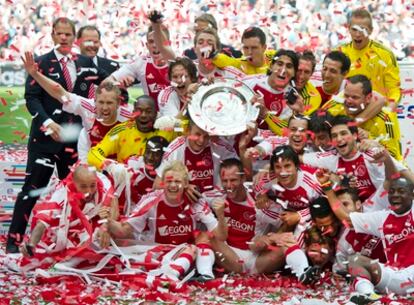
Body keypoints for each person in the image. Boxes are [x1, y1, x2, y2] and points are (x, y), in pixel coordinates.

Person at [6, 17, 108, 253]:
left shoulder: (86, 63)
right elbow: (31, 98)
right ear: (52, 35)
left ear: (75, 38)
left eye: (68, 34)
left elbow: (109, 84)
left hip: (74, 141)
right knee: (32, 189)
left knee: (77, 192)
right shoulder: (39, 63)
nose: (63, 38)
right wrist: (48, 122)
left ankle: (76, 240)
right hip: (44, 141)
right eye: (59, 34)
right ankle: (14, 241)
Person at [104, 161, 226, 281]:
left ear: (185, 184)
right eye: (169, 181)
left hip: (186, 255)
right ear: (162, 183)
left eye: (177, 181)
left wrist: (220, 216)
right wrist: (107, 223)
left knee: (203, 237)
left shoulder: (195, 202)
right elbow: (125, 230)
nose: (173, 185)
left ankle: (205, 276)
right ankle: (169, 276)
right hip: (158, 253)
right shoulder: (151, 200)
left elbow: (220, 236)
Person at [316, 174, 414, 301]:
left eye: (401, 191)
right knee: (355, 260)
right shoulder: (381, 218)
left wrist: (386, 158)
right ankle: (370, 297)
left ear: (412, 194)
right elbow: (346, 219)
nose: (395, 195)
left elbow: (394, 172)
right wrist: (327, 187)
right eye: (392, 191)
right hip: (396, 277)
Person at [21, 51, 132, 162]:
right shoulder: (88, 107)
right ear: (94, 101)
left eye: (109, 103)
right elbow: (59, 92)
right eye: (101, 102)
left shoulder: (131, 116)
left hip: (120, 166)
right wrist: (35, 74)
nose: (104, 107)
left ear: (118, 103)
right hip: (92, 164)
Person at [17, 164, 117, 271]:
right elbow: (42, 223)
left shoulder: (103, 182)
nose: (89, 191)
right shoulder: (62, 193)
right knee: (45, 247)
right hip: (71, 225)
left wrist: (106, 225)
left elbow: (115, 207)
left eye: (92, 186)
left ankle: (74, 259)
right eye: (83, 186)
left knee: (114, 229)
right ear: (74, 183)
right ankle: (74, 255)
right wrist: (32, 243)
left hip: (97, 219)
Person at [197, 158, 284, 278]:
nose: (229, 186)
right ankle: (206, 275)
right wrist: (187, 188)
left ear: (243, 178)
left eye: (233, 180)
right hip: (230, 257)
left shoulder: (260, 202)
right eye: (225, 181)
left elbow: (286, 221)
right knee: (204, 236)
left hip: (259, 260)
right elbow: (197, 199)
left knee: (288, 247)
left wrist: (271, 238)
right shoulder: (215, 196)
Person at [302, 115, 407, 202]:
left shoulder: (372, 151)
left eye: (343, 134)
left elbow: (404, 175)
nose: (339, 139)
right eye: (334, 135)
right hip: (356, 217)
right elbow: (298, 158)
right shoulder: (329, 158)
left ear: (355, 135)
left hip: (383, 212)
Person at [254, 145, 323, 246]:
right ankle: (256, 242)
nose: (283, 172)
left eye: (287, 166)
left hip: (308, 217)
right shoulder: (272, 177)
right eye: (278, 167)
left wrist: (299, 215)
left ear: (296, 166)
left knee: (294, 244)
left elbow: (324, 206)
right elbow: (258, 185)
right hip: (285, 213)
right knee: (258, 208)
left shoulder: (312, 182)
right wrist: (261, 195)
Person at [87, 95, 176, 170]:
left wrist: (175, 122)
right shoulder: (121, 131)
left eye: (148, 111)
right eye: (139, 111)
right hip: (127, 183)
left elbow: (188, 128)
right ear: (133, 113)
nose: (143, 115)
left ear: (156, 114)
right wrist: (112, 167)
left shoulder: (166, 129)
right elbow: (93, 154)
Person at [325, 74, 402, 160]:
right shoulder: (336, 105)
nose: (348, 101)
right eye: (346, 96)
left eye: (355, 97)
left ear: (368, 98)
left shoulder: (385, 118)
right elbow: (315, 123)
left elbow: (393, 157)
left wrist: (371, 140)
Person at [154, 119, 238, 196]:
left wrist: (242, 149)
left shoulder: (220, 147)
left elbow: (241, 177)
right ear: (188, 131)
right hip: (184, 203)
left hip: (216, 202)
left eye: (206, 136)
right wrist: (184, 187)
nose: (201, 140)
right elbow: (157, 186)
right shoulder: (175, 149)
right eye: (197, 134)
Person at [338, 8, 401, 109]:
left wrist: (388, 110)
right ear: (348, 28)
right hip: (347, 113)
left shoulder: (385, 54)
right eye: (354, 29)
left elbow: (394, 89)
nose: (358, 34)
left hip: (377, 112)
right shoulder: (339, 53)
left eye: (363, 30)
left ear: (371, 30)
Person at [105, 26, 170, 105]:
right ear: (147, 45)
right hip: (152, 115)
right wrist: (119, 84)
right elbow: (107, 82)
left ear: (168, 44)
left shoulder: (179, 62)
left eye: (159, 41)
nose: (155, 45)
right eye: (151, 41)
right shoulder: (140, 62)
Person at [106, 135, 170, 216]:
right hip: (120, 216)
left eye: (156, 154)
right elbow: (110, 185)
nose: (150, 157)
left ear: (164, 157)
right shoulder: (132, 164)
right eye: (148, 152)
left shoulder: (169, 178)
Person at [77, 25, 128, 103]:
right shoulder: (70, 65)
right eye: (88, 41)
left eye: (96, 42)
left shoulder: (113, 67)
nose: (92, 45)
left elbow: (123, 98)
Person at [211, 26, 277, 75]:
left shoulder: (274, 57)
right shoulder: (241, 64)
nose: (249, 52)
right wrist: (213, 55)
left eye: (254, 48)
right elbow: (226, 60)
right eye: (246, 48)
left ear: (264, 47)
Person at [295, 51, 322, 115]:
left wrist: (268, 116)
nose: (301, 76)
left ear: (311, 73)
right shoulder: (280, 84)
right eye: (299, 70)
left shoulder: (315, 97)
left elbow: (299, 122)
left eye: (306, 72)